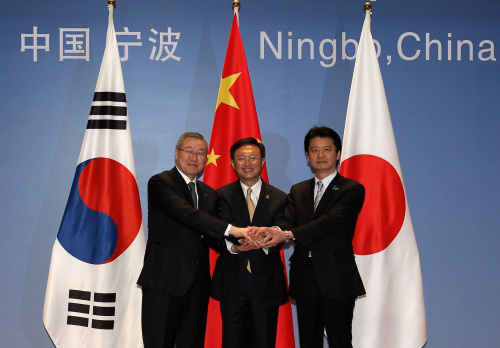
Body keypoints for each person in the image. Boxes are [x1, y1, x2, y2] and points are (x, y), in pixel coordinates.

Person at [137, 132, 250, 348]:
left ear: (206, 159)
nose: (194, 157)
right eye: (189, 151)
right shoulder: (161, 183)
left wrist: (234, 246)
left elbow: (210, 235)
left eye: (200, 153)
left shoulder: (208, 193)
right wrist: (232, 229)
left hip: (198, 286)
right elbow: (188, 215)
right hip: (165, 282)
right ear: (176, 153)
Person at [261, 126, 366, 348]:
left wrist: (287, 234)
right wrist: (272, 232)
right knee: (309, 342)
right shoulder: (298, 190)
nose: (320, 155)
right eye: (314, 150)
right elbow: (288, 221)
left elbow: (329, 222)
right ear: (307, 156)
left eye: (327, 149)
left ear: (337, 154)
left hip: (337, 277)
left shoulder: (351, 189)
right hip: (305, 277)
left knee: (340, 341)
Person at [211, 137, 289, 348]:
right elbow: (215, 234)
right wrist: (234, 248)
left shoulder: (280, 198)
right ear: (231, 163)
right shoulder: (219, 196)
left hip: (266, 283)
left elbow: (282, 232)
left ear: (262, 161)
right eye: (241, 158)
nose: (247, 163)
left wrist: (264, 243)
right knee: (232, 342)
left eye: (253, 158)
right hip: (232, 282)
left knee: (264, 341)